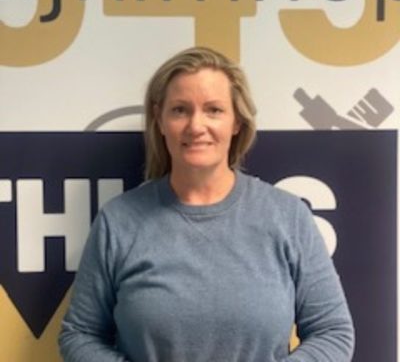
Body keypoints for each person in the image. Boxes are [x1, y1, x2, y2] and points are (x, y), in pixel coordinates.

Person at [59, 47, 355, 362]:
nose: (196, 126)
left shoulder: (288, 216)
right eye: (180, 110)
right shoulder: (118, 220)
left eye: (213, 110)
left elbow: (333, 334)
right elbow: (79, 335)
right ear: (160, 120)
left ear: (237, 122)